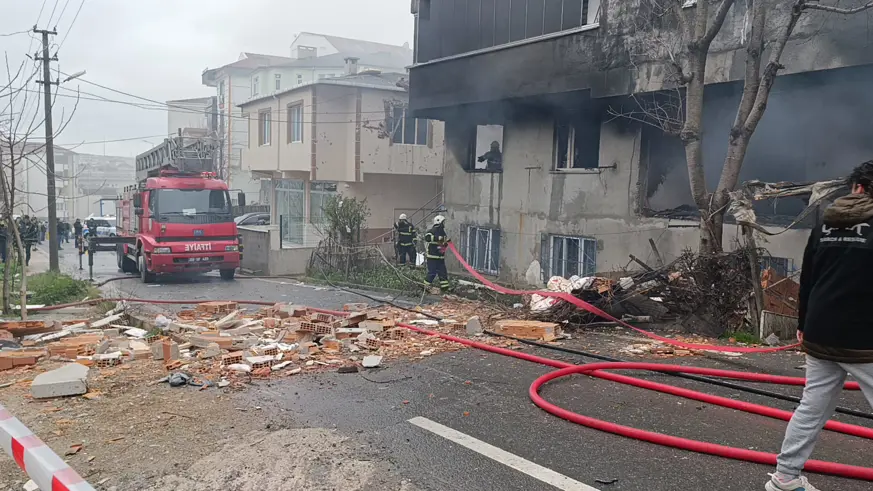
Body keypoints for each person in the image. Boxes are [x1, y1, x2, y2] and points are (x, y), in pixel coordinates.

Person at [765, 161, 873, 491]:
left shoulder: (825, 222)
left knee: (811, 408)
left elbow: (808, 276)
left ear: (856, 187)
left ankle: (784, 477)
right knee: (813, 407)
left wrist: (802, 324)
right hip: (862, 338)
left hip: (818, 332)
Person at [424, 215, 450, 292]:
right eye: (443, 222)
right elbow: (427, 238)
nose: (444, 224)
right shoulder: (431, 231)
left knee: (443, 273)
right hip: (432, 257)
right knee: (432, 273)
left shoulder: (443, 232)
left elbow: (443, 243)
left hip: (440, 258)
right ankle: (425, 287)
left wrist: (446, 243)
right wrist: (439, 238)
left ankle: (445, 289)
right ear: (439, 222)